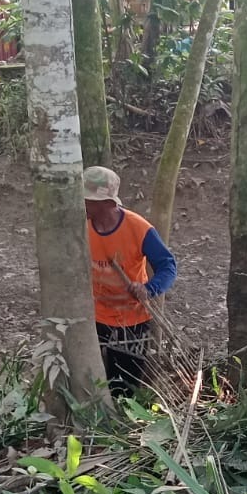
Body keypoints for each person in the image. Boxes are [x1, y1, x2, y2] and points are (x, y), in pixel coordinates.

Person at [83, 166, 177, 396]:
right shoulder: (81, 227)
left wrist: (149, 288)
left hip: (131, 318)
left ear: (107, 203)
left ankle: (121, 426)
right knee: (92, 379)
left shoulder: (138, 229)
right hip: (93, 315)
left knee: (124, 385)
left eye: (88, 200)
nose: (83, 204)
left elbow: (167, 265)